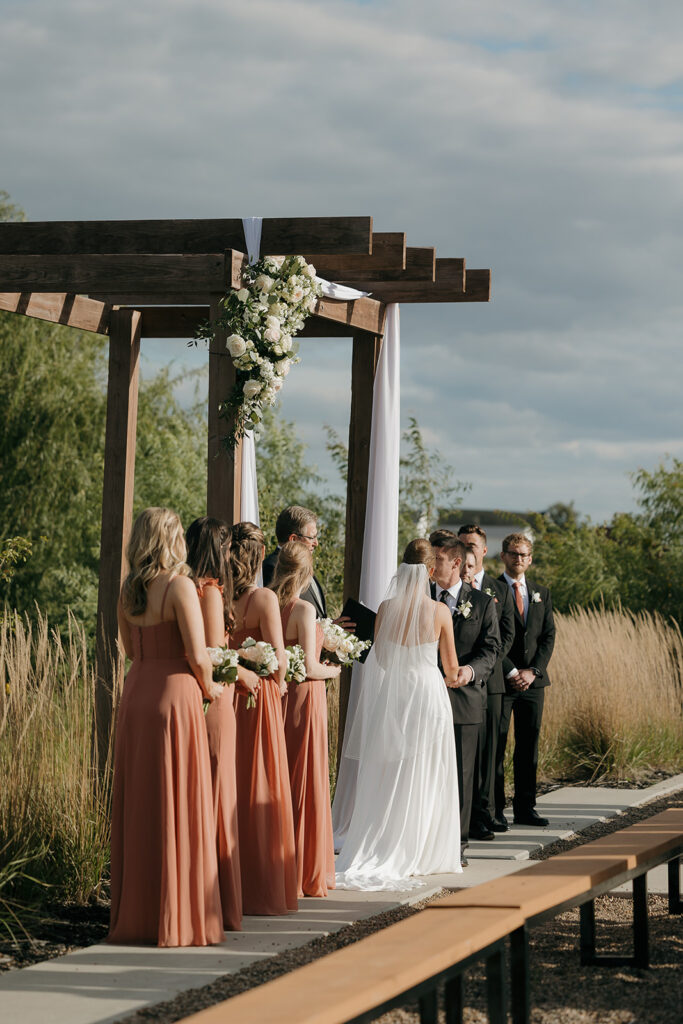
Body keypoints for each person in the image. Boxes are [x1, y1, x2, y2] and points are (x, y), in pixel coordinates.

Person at [109, 507, 224, 947]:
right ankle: (178, 915)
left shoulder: (127, 589)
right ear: (171, 538)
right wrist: (212, 687)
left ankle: (139, 914)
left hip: (137, 692)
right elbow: (198, 655)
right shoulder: (179, 586)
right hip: (175, 695)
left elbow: (127, 648)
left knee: (143, 802)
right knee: (179, 799)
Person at [334, 539, 462, 889]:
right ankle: (422, 851)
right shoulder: (439, 612)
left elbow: (383, 660)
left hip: (395, 695)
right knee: (425, 769)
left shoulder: (386, 608)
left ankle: (386, 841)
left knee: (391, 771)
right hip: (427, 693)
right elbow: (450, 670)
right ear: (431, 570)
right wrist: (460, 675)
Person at [185, 516, 259, 932]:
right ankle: (220, 900)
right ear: (220, 549)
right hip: (217, 702)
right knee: (218, 792)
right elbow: (215, 654)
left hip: (194, 699)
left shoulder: (181, 586)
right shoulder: (209, 591)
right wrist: (246, 672)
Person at [228, 521, 298, 915]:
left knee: (232, 787)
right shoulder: (264, 599)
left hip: (227, 693)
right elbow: (276, 659)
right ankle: (261, 886)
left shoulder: (217, 595)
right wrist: (285, 673)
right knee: (262, 787)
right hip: (260, 700)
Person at [270, 541, 341, 897]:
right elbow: (310, 667)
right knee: (307, 777)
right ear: (304, 572)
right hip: (306, 696)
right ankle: (306, 870)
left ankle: (284, 863)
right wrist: (333, 671)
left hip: (280, 698)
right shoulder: (303, 609)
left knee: (285, 772)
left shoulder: (267, 604)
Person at [429, 533, 500, 865]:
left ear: (456, 563)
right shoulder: (420, 597)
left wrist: (469, 672)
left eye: (437, 560)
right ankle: (426, 839)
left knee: (461, 775)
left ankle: (457, 844)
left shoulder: (483, 603)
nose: (430, 566)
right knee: (426, 771)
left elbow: (491, 650)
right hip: (425, 698)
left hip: (464, 700)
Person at [457, 525, 515, 837]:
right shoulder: (450, 591)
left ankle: (487, 810)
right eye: (462, 543)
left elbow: (505, 636)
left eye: (473, 545)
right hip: (458, 683)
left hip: (490, 682)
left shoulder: (497, 589)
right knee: (468, 755)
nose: (468, 549)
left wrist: (486, 666)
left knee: (490, 751)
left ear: (483, 550)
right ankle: (472, 817)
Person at [496, 533, 556, 827]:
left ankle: (525, 808)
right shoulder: (490, 591)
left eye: (523, 555)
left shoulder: (541, 592)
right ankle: (494, 810)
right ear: (503, 556)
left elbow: (548, 636)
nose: (518, 559)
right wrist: (511, 670)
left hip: (533, 683)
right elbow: (491, 637)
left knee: (528, 745)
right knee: (496, 745)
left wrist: (533, 671)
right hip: (502, 681)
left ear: (530, 559)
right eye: (513, 553)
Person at [262, 506, 327, 617]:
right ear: (293, 539)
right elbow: (280, 616)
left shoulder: (303, 564)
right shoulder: (273, 567)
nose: (316, 543)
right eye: (312, 537)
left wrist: (332, 626)